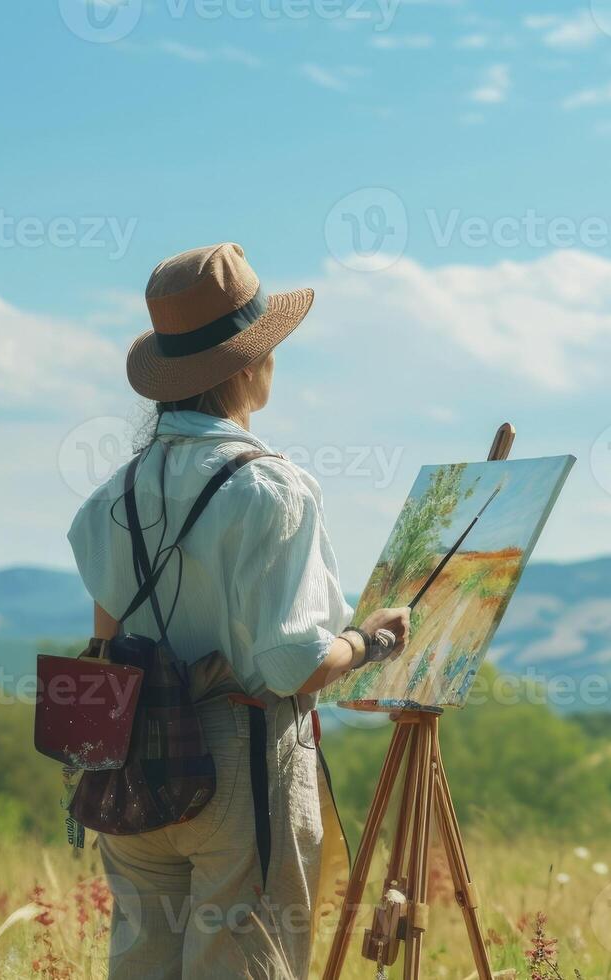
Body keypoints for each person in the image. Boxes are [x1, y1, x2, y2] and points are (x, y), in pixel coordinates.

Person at [67, 242, 410, 978]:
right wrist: (368, 641)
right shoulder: (272, 489)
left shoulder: (107, 500)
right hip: (237, 756)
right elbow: (294, 665)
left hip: (130, 763)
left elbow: (106, 645)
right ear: (246, 366)